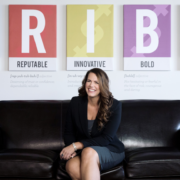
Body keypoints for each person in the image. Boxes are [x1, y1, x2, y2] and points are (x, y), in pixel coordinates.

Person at [60, 68, 124, 180]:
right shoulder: (75, 103)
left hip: (109, 149)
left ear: (103, 85)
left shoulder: (115, 106)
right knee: (71, 165)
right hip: (83, 151)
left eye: (96, 82)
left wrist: (75, 146)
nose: (91, 85)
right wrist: (72, 151)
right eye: (89, 81)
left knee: (88, 152)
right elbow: (68, 132)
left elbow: (106, 138)